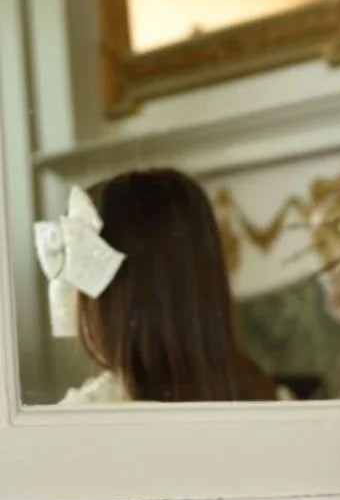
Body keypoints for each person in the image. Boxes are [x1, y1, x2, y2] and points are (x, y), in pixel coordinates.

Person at [33, 170, 277, 405]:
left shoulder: (87, 418)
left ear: (116, 300)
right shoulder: (260, 394)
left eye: (79, 279)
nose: (72, 295)